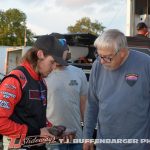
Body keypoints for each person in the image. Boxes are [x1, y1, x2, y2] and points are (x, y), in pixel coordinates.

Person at [83, 29, 150, 150]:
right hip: (105, 145)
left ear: (123, 52)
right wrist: (87, 136)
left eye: (107, 57)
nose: (102, 61)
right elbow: (92, 104)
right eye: (99, 55)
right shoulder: (97, 65)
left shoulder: (145, 63)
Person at [0, 35, 68, 150]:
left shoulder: (41, 81)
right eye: (52, 62)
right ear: (40, 54)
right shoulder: (15, 80)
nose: (54, 67)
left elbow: (35, 117)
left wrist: (53, 131)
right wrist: (34, 132)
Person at [45, 34, 88, 150]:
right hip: (52, 140)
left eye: (61, 51)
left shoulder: (79, 73)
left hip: (76, 137)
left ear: (66, 51)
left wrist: (87, 135)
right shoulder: (44, 74)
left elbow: (84, 106)